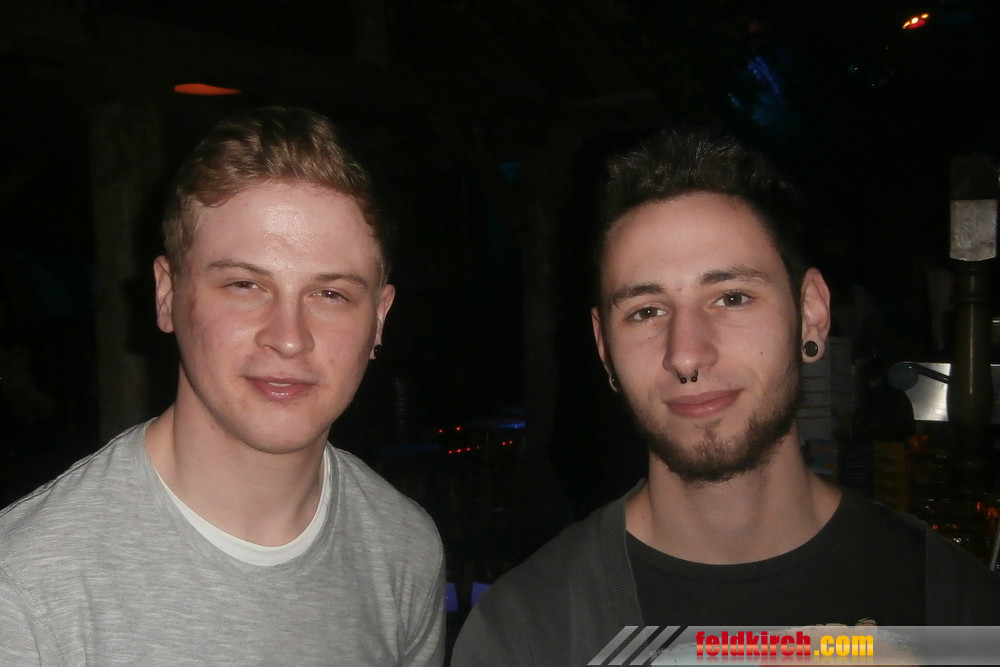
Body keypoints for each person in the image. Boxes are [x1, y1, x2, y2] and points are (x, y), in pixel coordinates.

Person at [452, 131, 1000, 665]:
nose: (686, 355)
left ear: (811, 313)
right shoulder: (528, 634)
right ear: (604, 348)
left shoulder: (955, 614)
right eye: (646, 311)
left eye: (732, 298)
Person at [0, 107, 445, 665]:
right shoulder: (23, 590)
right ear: (167, 295)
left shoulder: (406, 548)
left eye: (331, 294)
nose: (289, 338)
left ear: (378, 319)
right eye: (244, 285)